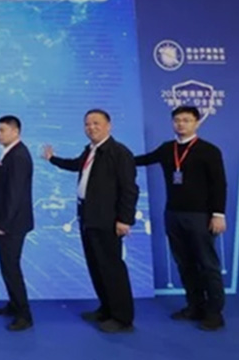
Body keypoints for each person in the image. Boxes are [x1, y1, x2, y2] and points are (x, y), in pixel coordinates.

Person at [43, 109, 138, 333]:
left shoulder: (119, 152)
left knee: (112, 268)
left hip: (108, 220)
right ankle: (106, 309)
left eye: (96, 123)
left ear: (108, 126)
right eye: (87, 124)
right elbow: (76, 165)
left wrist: (125, 219)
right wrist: (52, 159)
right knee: (97, 266)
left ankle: (122, 318)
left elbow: (129, 189)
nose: (91, 127)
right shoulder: (90, 150)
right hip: (88, 216)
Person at [134, 106, 227, 331]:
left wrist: (218, 214)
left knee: (207, 264)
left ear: (197, 123)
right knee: (184, 264)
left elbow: (219, 184)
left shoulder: (209, 150)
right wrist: (113, 154)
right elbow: (143, 159)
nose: (181, 124)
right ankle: (195, 306)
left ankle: (214, 313)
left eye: (186, 120)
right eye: (177, 120)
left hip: (200, 216)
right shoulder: (168, 149)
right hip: (173, 214)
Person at [0, 116, 34, 331]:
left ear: (15, 131)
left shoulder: (19, 155)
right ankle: (14, 304)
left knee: (11, 268)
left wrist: (4, 223)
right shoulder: (11, 153)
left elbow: (15, 193)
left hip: (11, 225)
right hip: (7, 222)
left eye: (2, 130)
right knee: (7, 267)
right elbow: (5, 174)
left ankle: (24, 315)